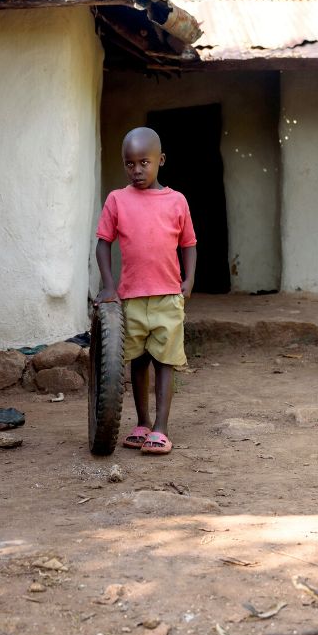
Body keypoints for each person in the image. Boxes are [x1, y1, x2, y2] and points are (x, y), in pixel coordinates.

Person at [94, 127, 197, 455]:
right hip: (131, 297)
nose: (136, 170)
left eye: (144, 162)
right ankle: (142, 423)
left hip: (167, 295)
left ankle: (161, 428)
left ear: (160, 160)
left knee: (164, 362)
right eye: (129, 164)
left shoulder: (177, 201)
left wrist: (190, 281)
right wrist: (109, 285)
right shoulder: (117, 200)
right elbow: (102, 245)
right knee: (136, 361)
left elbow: (189, 244)